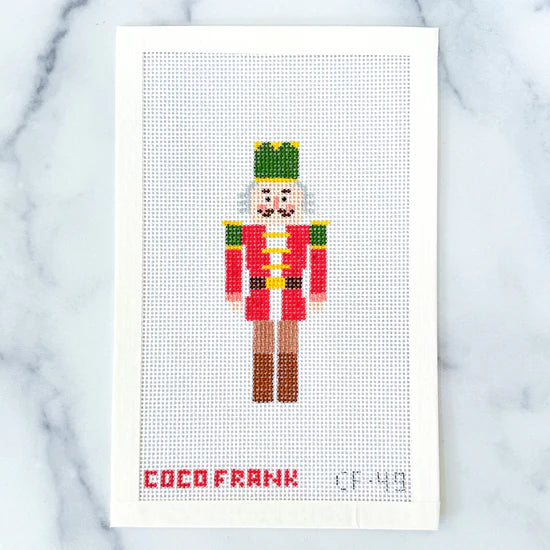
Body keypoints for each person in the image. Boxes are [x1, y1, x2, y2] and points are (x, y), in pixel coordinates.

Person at [223, 141, 329, 402]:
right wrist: (234, 291)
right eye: (266, 196)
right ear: (252, 198)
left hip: (292, 293)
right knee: (262, 339)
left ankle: (288, 391)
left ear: (299, 198)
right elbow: (233, 257)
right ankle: (261, 390)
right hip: (259, 293)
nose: (276, 204)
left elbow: (318, 257)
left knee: (289, 340)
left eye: (285, 196)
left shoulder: (304, 232)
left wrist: (317, 292)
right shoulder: (247, 232)